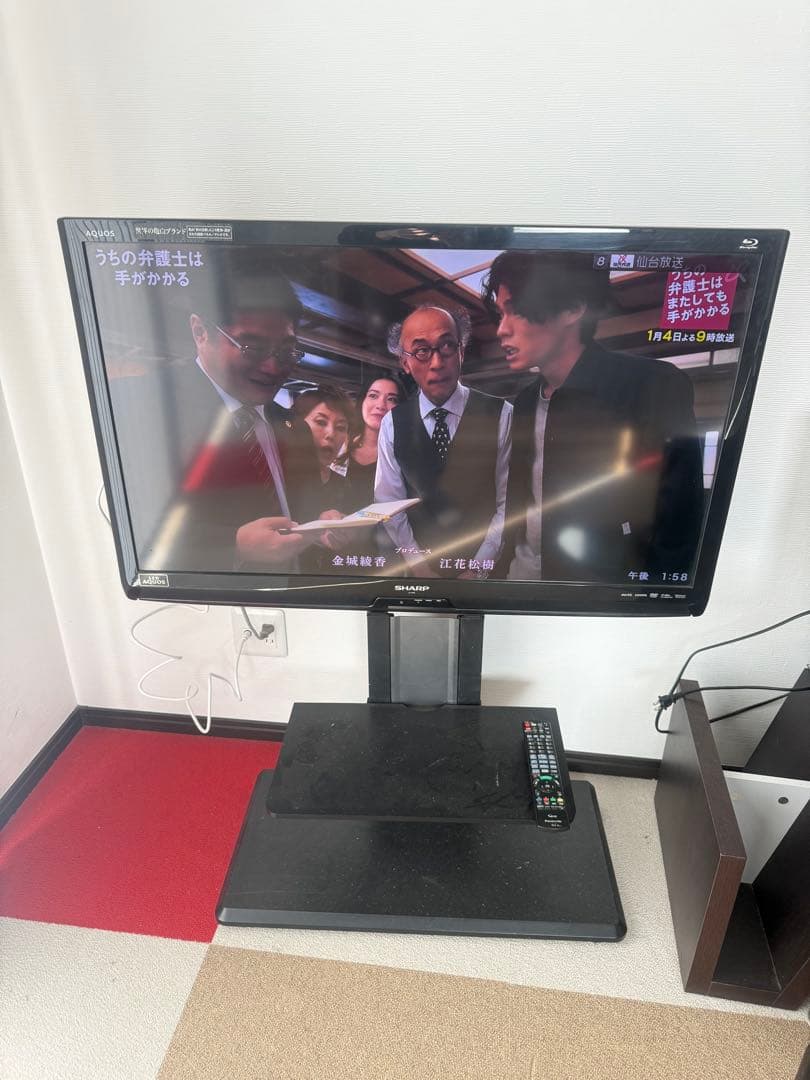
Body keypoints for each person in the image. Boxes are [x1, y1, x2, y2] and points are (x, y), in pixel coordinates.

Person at [482, 251, 704, 582]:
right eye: (500, 313)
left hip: (598, 593)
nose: (501, 329)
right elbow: (521, 501)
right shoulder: (526, 400)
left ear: (573, 308)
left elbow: (679, 524)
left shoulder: (652, 385)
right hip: (520, 579)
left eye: (515, 310)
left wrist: (646, 600)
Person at [106, 253, 334, 572]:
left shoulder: (293, 425)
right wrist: (234, 546)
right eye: (252, 348)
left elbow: (306, 505)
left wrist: (324, 521)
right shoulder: (141, 409)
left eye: (286, 351)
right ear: (200, 331)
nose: (273, 367)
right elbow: (125, 527)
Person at [375, 305, 512, 578]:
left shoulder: (501, 413)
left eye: (447, 346)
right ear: (405, 363)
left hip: (486, 573)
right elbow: (388, 504)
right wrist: (419, 567)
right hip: (420, 573)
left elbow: (507, 504)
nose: (437, 363)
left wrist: (477, 570)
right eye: (422, 351)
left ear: (461, 351)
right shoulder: (392, 423)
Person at [344, 375, 403, 508]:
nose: (380, 405)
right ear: (362, 401)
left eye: (391, 399)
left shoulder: (404, 455)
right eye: (373, 396)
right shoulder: (339, 445)